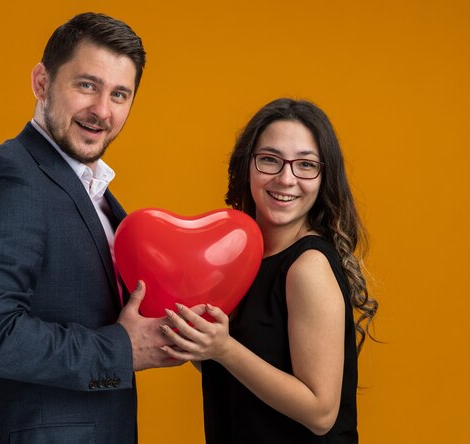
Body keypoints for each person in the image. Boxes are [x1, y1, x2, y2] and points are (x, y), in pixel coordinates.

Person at [0, 12, 181, 444]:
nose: (102, 111)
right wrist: (121, 349)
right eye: (87, 85)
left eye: (119, 94)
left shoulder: (95, 192)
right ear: (42, 82)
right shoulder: (7, 177)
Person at [160, 98, 378, 443]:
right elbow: (237, 371)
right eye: (270, 160)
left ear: (324, 177)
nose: (285, 178)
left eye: (305, 165)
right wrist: (198, 342)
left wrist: (224, 349)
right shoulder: (242, 257)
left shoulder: (308, 266)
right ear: (247, 166)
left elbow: (321, 413)